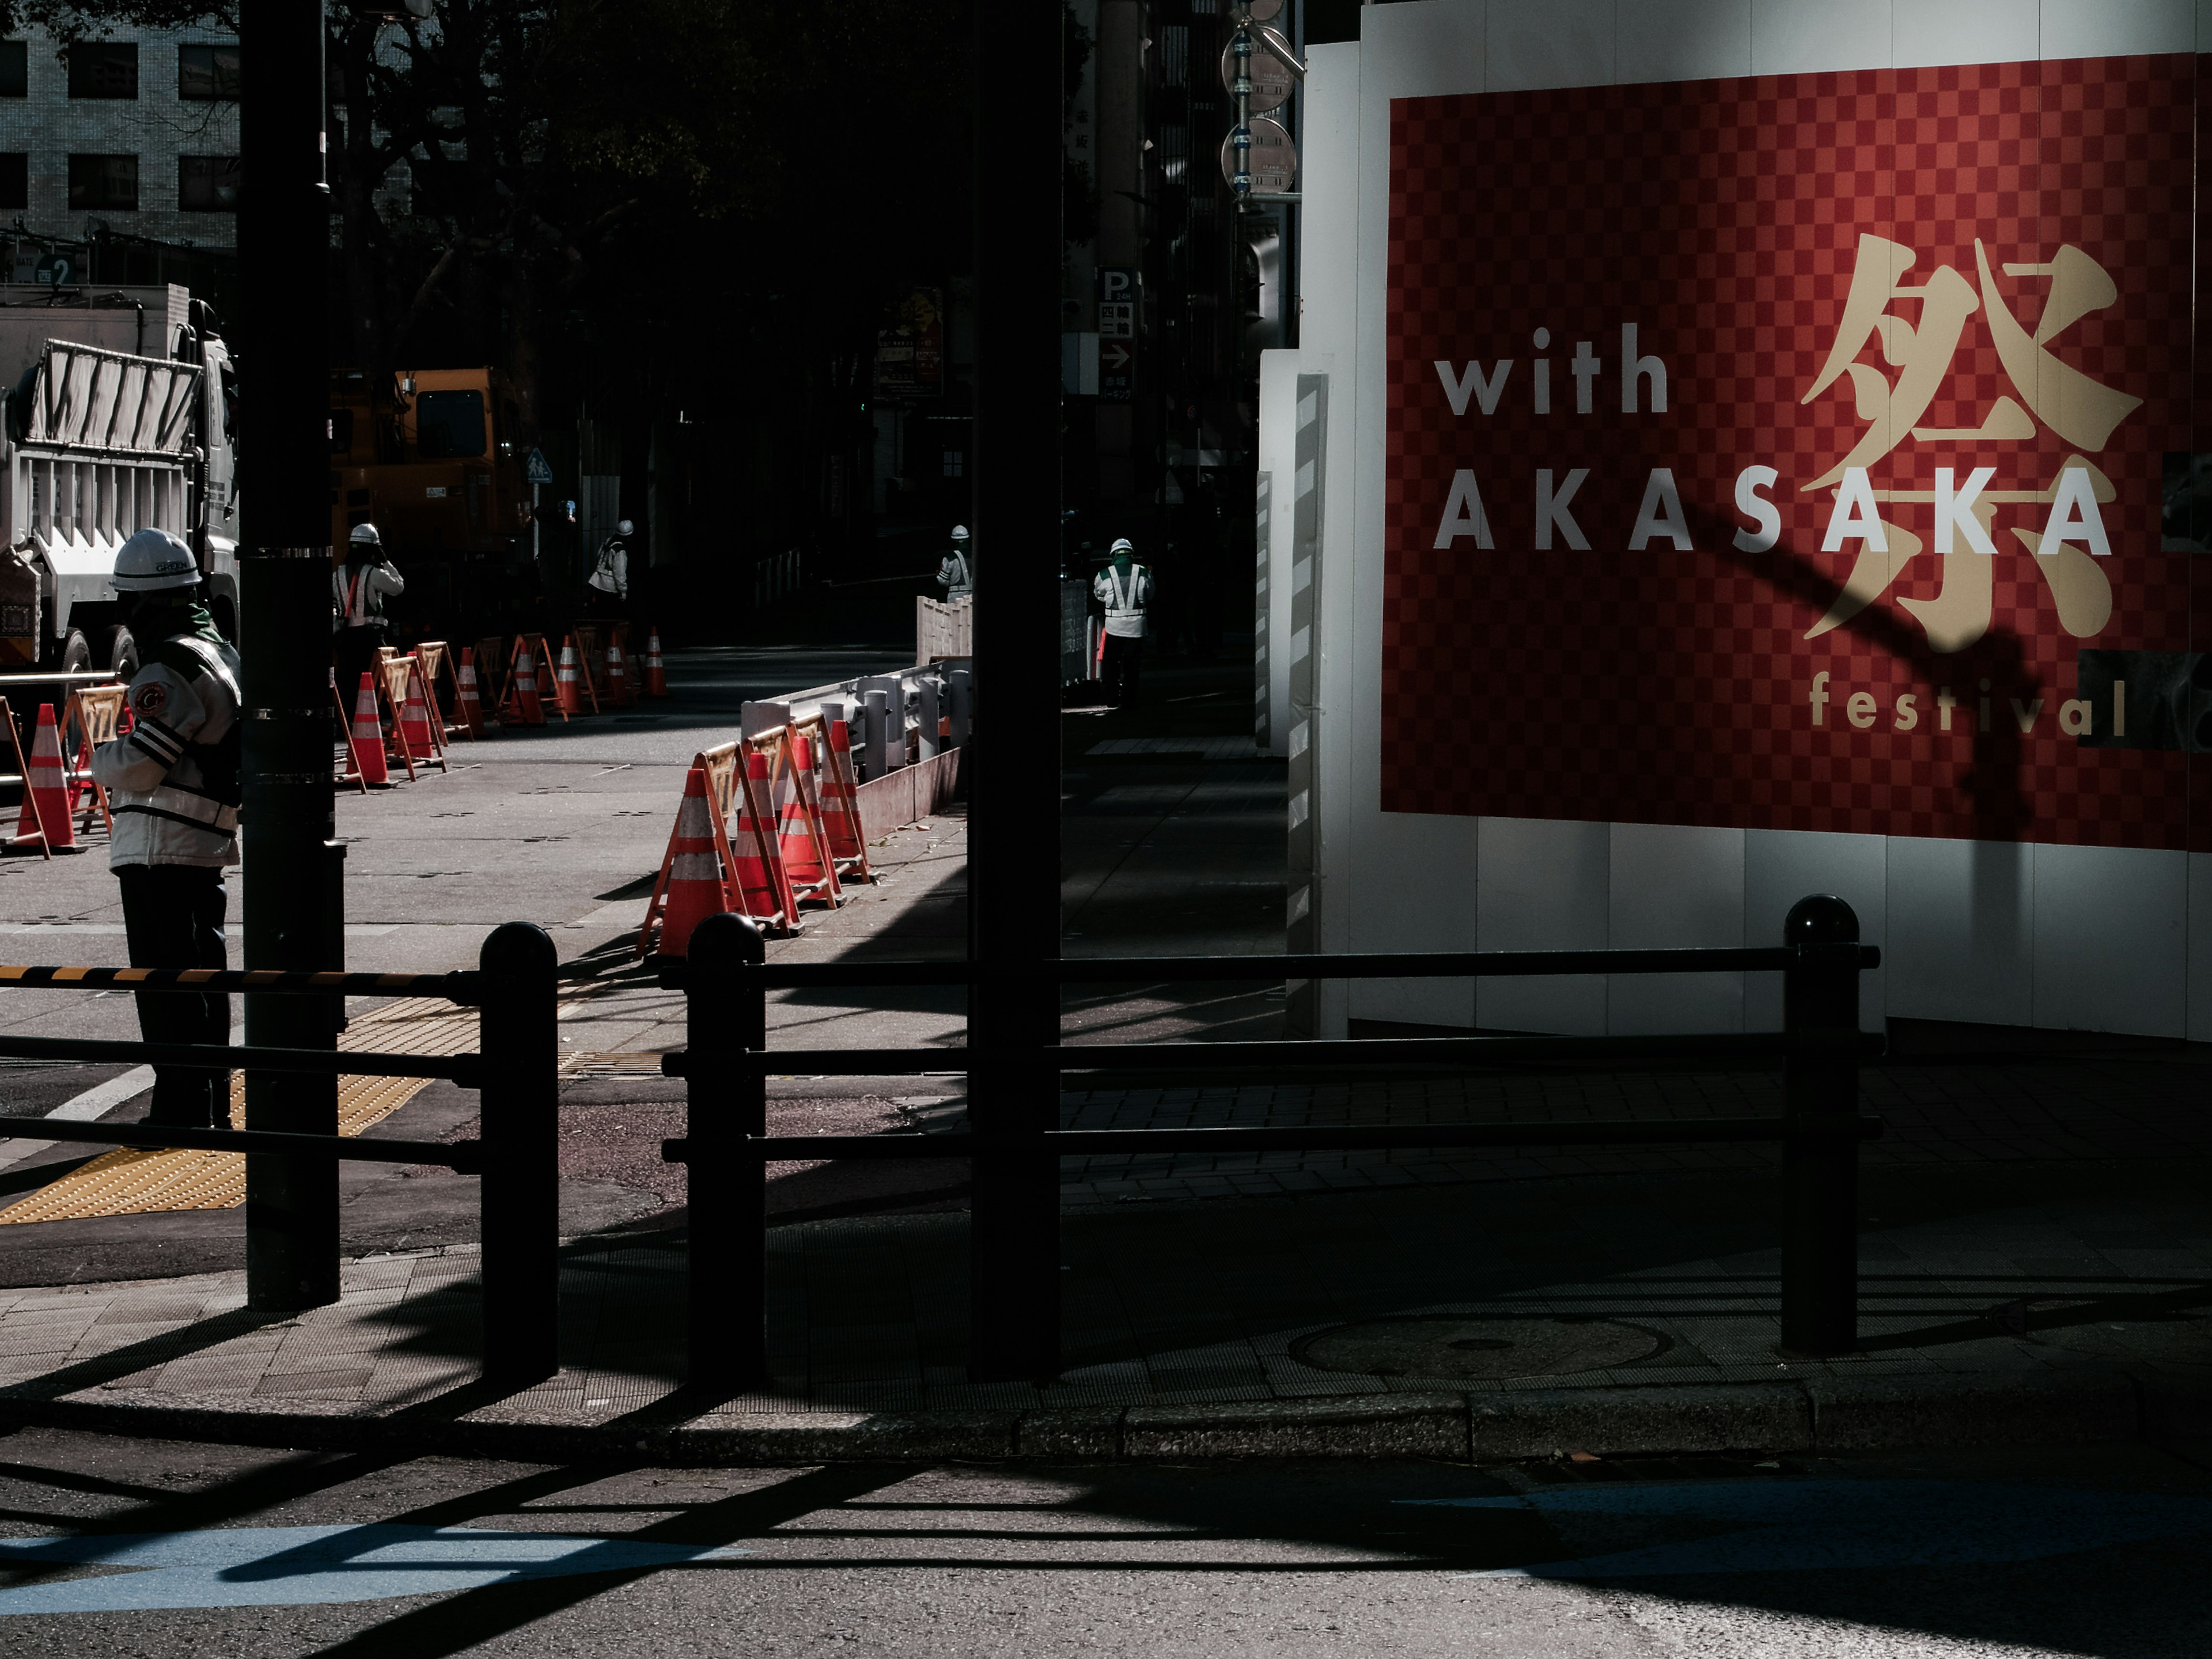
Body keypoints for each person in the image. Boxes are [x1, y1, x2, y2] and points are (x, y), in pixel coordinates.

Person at [90, 530, 242, 1131]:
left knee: (164, 987)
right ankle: (212, 1104)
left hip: (161, 843)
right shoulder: (222, 652)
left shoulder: (169, 666)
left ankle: (180, 1112)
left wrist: (102, 757)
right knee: (205, 979)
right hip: (206, 838)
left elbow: (144, 760)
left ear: (143, 603)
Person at [332, 522, 404, 702]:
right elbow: (398, 587)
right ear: (373, 550)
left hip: (346, 639)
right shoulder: (374, 573)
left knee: (348, 686)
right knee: (375, 684)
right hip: (370, 640)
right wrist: (386, 562)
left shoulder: (337, 575)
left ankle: (347, 725)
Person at [1092, 537, 1152, 709]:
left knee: (1111, 663)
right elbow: (1151, 594)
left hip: (1114, 626)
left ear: (1114, 555)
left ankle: (1112, 697)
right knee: (1133, 665)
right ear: (1131, 554)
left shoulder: (1105, 573)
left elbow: (1098, 593)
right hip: (1137, 627)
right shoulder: (1143, 572)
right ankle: (1129, 699)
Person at [586, 518, 631, 616]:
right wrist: (623, 592)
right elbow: (620, 574)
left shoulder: (608, 542)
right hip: (611, 589)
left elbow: (598, 558)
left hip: (598, 583)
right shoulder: (620, 551)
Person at [936, 525, 973, 599]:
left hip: (956, 597)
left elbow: (943, 581)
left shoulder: (949, 558)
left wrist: (938, 574)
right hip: (973, 595)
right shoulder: (975, 555)